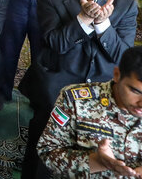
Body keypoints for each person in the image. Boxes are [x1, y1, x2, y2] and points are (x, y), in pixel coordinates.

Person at [19, 0, 138, 177]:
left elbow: (123, 57)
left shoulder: (125, 6)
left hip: (101, 95)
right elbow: (56, 44)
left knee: (94, 155)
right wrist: (83, 18)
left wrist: (103, 25)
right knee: (40, 154)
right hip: (56, 85)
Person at [37, 45, 142, 177]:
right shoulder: (76, 100)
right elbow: (47, 151)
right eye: (135, 91)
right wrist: (96, 161)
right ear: (117, 75)